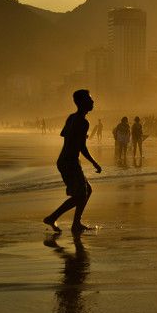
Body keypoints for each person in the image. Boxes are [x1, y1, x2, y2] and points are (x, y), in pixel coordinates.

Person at [43, 89, 102, 234]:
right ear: (81, 102)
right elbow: (82, 147)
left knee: (87, 190)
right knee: (81, 195)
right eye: (89, 99)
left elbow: (64, 134)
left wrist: (77, 135)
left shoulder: (72, 117)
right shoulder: (83, 122)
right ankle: (53, 217)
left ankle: (76, 223)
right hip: (70, 161)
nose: (92, 102)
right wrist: (95, 163)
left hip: (66, 160)